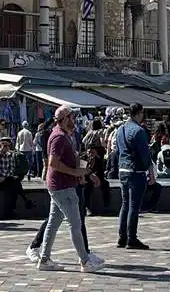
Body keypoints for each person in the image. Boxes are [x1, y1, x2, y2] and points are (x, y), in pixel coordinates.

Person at [35, 106, 105, 273]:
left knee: (53, 223)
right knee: (75, 224)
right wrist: (75, 172)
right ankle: (85, 261)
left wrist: (85, 173)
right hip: (63, 187)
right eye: (72, 117)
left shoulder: (64, 135)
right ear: (64, 118)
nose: (74, 119)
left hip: (60, 185)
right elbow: (53, 163)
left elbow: (71, 159)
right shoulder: (59, 137)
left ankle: (44, 259)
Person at [115, 102, 155, 250]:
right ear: (139, 113)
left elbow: (119, 150)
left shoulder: (120, 129)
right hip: (135, 171)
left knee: (125, 204)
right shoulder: (139, 131)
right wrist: (150, 173)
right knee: (133, 206)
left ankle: (121, 237)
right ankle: (132, 238)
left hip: (123, 170)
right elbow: (145, 155)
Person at [0, 137, 32, 218]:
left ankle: (10, 211)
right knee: (14, 184)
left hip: (6, 178)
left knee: (13, 187)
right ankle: (25, 200)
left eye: (7, 146)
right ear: (0, 146)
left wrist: (5, 176)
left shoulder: (10, 155)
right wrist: (5, 176)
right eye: (4, 146)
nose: (6, 147)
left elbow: (11, 169)